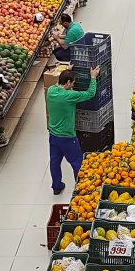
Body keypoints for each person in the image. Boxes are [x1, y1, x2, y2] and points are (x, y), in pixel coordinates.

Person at [46, 66, 99, 194]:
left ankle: (57, 186)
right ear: (68, 83)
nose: (74, 84)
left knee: (55, 161)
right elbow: (90, 94)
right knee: (77, 162)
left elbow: (58, 82)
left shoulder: (51, 90)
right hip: (67, 136)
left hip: (53, 135)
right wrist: (93, 77)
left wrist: (67, 71)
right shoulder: (69, 95)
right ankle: (82, 189)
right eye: (73, 82)